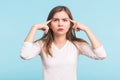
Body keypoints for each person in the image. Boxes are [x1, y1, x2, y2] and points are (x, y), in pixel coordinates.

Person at [20, 5, 107, 80]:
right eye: (55, 20)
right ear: (49, 24)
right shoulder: (42, 44)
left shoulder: (77, 45)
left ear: (70, 24)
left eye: (65, 20)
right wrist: (34, 27)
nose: (60, 24)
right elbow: (24, 54)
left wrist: (87, 29)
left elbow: (101, 55)